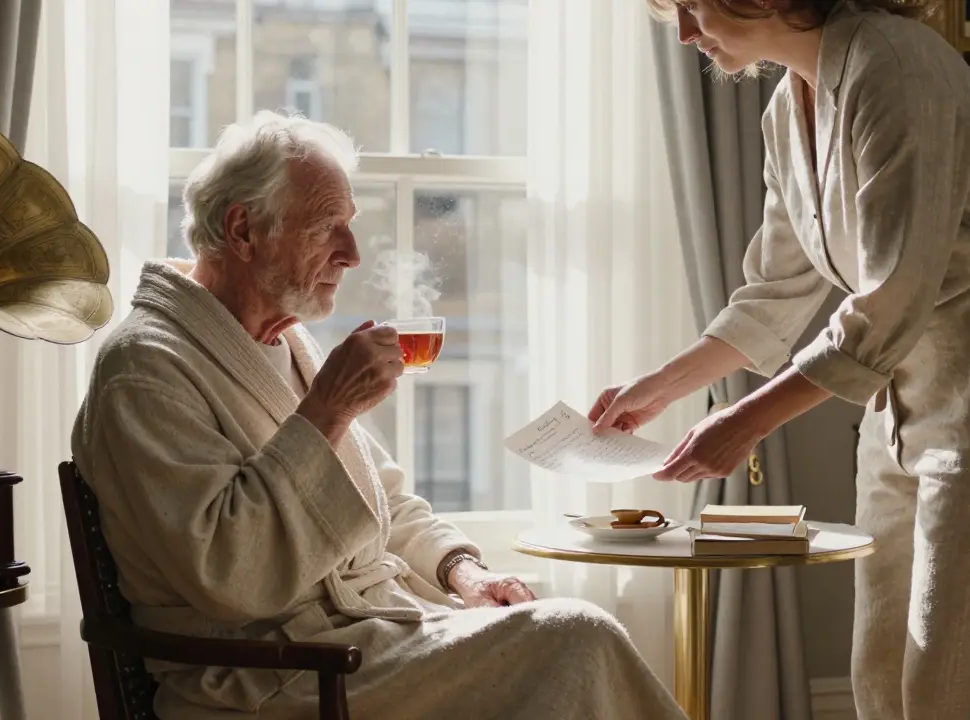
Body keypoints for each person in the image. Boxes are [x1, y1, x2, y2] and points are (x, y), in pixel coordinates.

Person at [71, 111, 687, 720]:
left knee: (561, 636)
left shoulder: (283, 344)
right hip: (270, 677)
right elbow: (227, 574)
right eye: (327, 227)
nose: (353, 253)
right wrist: (327, 409)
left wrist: (460, 570)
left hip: (359, 643)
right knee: (572, 634)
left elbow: (379, 500)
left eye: (352, 226)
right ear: (243, 230)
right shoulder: (144, 368)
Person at [592, 1, 970, 718]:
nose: (682, 32)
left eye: (690, 4)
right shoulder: (783, 108)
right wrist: (659, 387)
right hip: (897, 395)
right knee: (884, 675)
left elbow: (891, 295)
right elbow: (775, 293)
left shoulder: (894, 63)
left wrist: (745, 421)